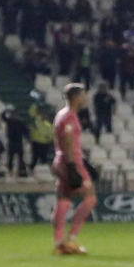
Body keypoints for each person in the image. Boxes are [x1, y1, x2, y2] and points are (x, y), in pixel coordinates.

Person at [51, 84, 97, 255]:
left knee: (63, 200)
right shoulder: (69, 117)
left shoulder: (61, 115)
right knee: (90, 198)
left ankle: (58, 244)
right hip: (70, 161)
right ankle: (71, 240)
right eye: (83, 95)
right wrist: (73, 166)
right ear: (75, 97)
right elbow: (69, 141)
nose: (85, 98)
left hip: (61, 160)